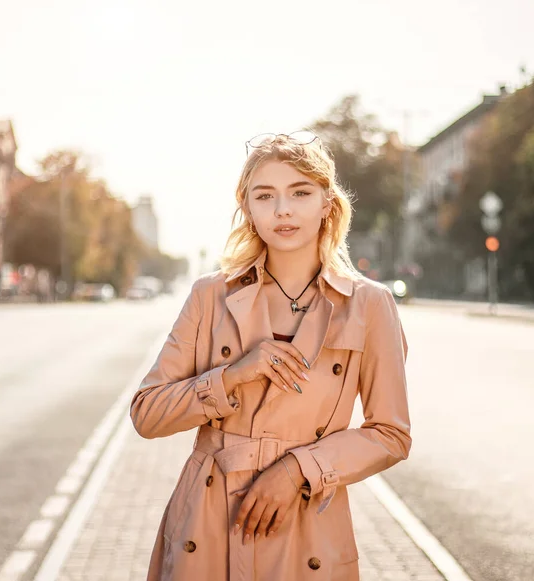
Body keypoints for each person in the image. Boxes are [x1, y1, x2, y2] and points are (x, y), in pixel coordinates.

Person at [130, 130, 411, 581]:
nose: (283, 209)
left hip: (307, 525)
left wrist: (300, 468)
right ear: (248, 209)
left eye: (300, 192)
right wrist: (231, 376)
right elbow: (147, 415)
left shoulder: (369, 304)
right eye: (265, 196)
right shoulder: (210, 295)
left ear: (327, 203)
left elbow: (391, 434)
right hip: (207, 519)